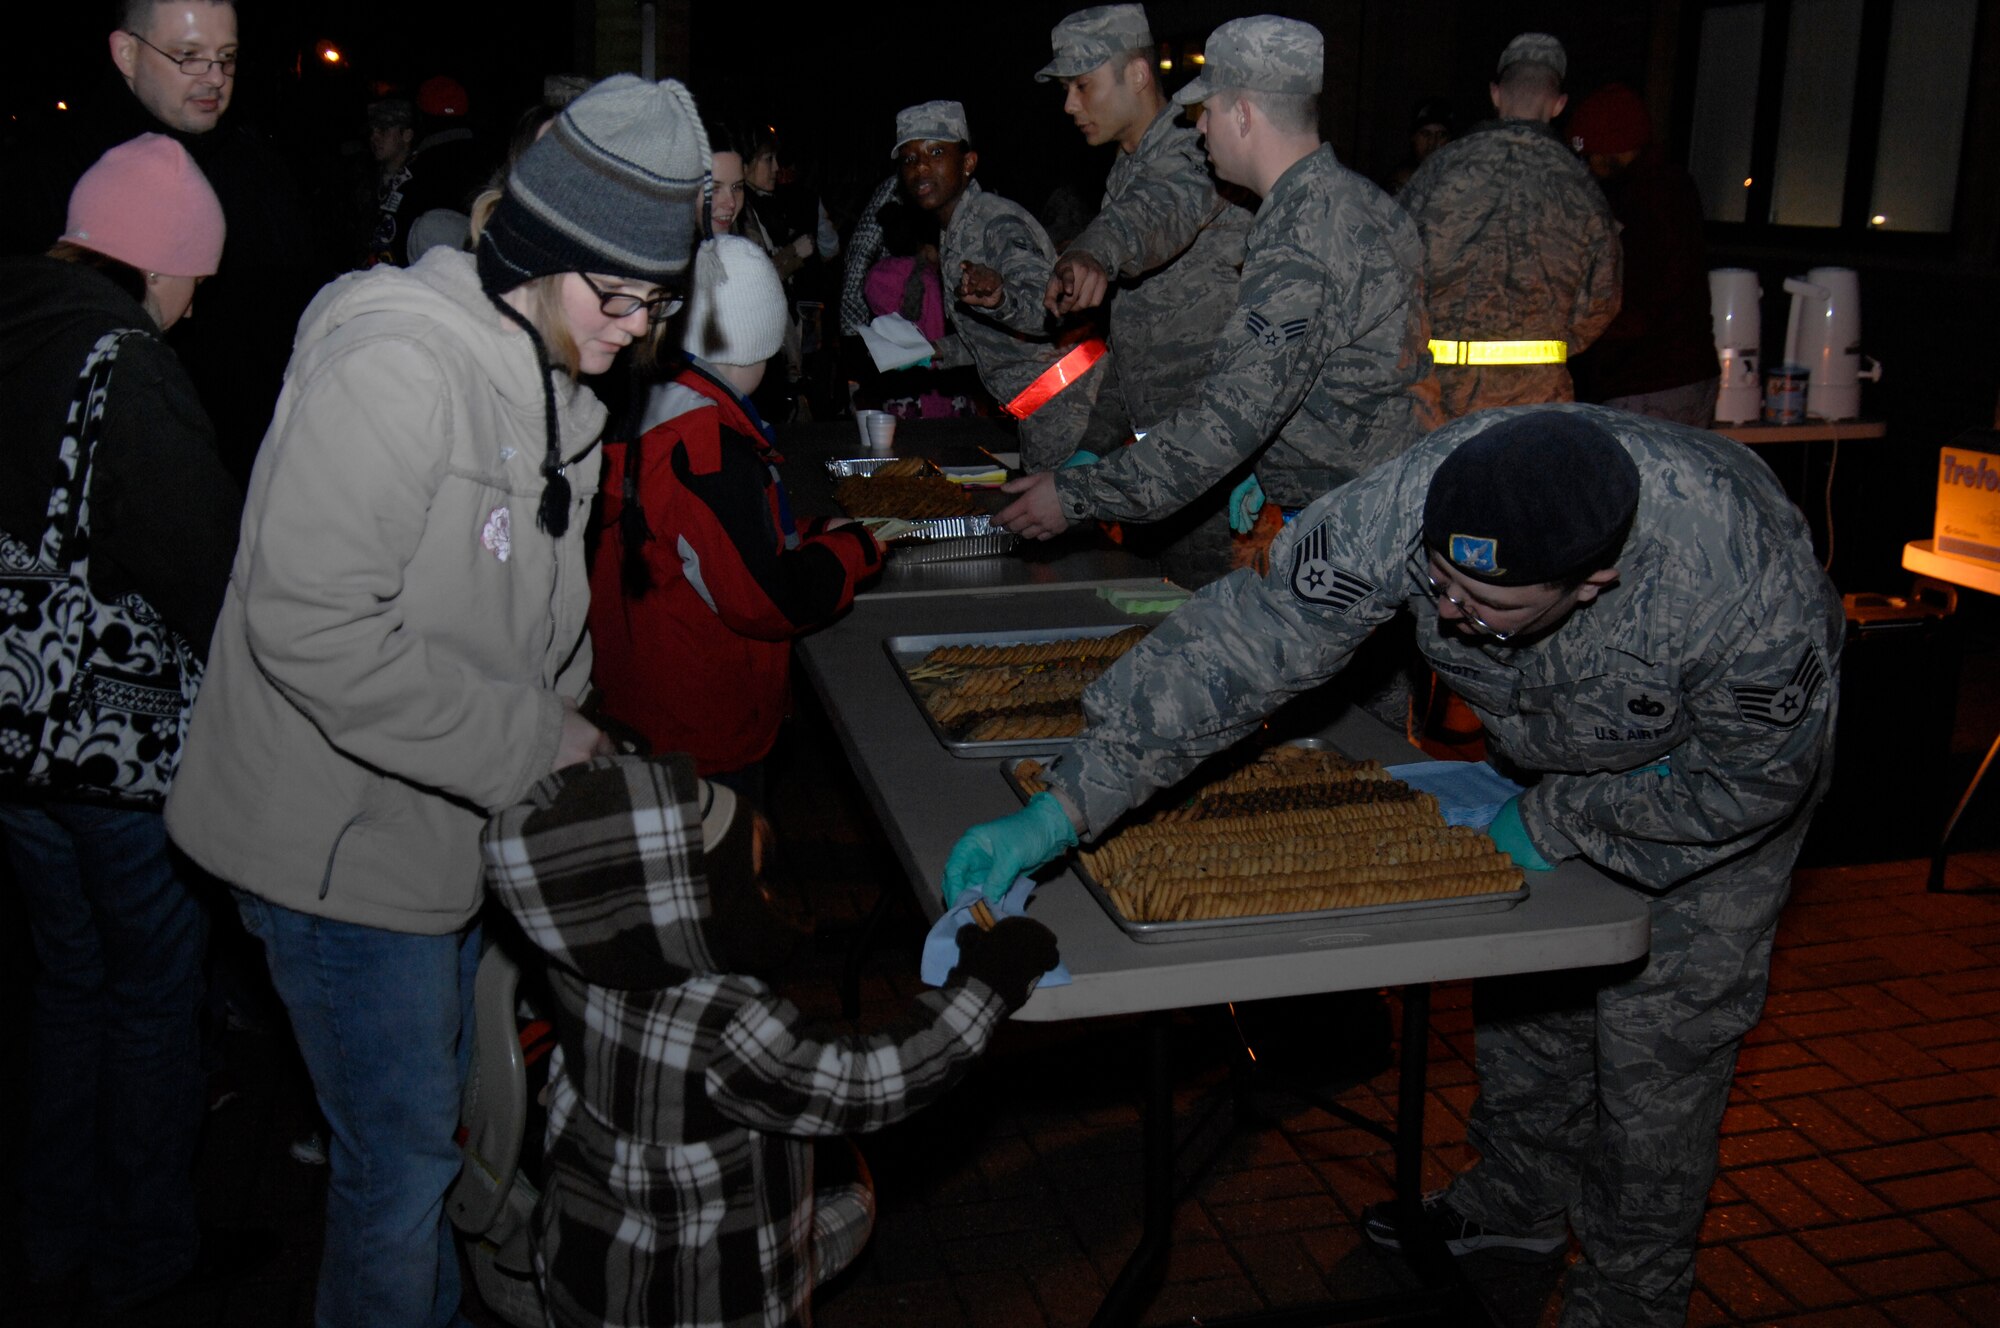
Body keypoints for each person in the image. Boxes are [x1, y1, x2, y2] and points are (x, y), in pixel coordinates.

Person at [947, 404, 1843, 1328]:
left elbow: (1755, 780)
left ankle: (1630, 1298)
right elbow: (1248, 643)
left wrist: (1564, 817)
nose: (1447, 616)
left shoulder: (1741, 582)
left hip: (1697, 795)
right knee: (1530, 999)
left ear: (1594, 580)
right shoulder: (1413, 502)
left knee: (1659, 1064)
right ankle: (1515, 1204)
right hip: (1553, 747)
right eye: (1439, 585)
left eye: (1485, 606)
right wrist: (1065, 804)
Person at [163, 75, 711, 1328]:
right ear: (535, 251)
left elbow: (526, 605)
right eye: (617, 296)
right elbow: (308, 624)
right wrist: (539, 736)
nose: (636, 328)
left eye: (659, 302)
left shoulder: (555, 368)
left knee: (446, 1130)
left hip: (441, 833)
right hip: (337, 854)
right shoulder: (398, 366)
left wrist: (570, 741)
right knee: (396, 1167)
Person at [482, 753, 1061, 1328]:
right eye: (748, 887)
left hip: (592, 1263)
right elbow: (869, 1082)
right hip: (699, 1301)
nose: (764, 902)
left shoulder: (581, 969)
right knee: (853, 1201)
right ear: (674, 917)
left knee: (849, 1205)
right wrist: (986, 987)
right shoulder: (721, 1026)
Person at [0, 133, 243, 1324]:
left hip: (9, 734)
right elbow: (200, 567)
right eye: (193, 273)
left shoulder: (12, 322)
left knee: (67, 980)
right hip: (113, 746)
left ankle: (48, 1230)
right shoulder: (127, 363)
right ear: (155, 256)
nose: (194, 305)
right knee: (153, 989)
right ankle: (141, 1246)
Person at [995, 17, 1439, 568]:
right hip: (1365, 507)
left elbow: (1229, 418)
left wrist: (1075, 495)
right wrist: (1275, 462)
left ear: (1244, 115)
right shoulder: (1356, 202)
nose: (1198, 130)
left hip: (1351, 526)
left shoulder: (1302, 236)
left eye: (1206, 112)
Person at [590, 236, 883, 801]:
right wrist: (855, 551)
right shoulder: (707, 451)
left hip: (635, 701)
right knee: (723, 876)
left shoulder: (642, 409)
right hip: (702, 732)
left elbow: (708, 543)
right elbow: (763, 599)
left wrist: (810, 532)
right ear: (758, 344)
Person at [5, 1, 325, 484]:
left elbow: (301, 307)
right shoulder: (50, 172)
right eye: (188, 55)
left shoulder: (257, 167)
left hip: (250, 472)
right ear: (127, 54)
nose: (215, 77)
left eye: (228, 56)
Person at [1036, 3, 1253, 584]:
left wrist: (1093, 251)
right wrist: (1094, 445)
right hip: (1162, 465)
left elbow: (1155, 214)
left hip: (1219, 463)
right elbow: (1135, 341)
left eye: (1082, 86)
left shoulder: (1191, 148)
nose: (1069, 105)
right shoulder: (1126, 167)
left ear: (1136, 74)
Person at [1397, 33, 1621, 420]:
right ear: (1559, 104)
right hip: (1537, 400)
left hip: (1441, 397)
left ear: (1496, 94)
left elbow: (1391, 268)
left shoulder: (1438, 170)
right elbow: (1602, 301)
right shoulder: (1582, 188)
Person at [894, 99, 1110, 471]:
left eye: (936, 152)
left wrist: (1000, 298)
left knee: (1070, 527)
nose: (921, 166)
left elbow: (1046, 305)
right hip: (1043, 410)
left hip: (1069, 406)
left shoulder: (995, 223)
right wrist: (934, 350)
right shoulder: (955, 230)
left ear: (967, 163)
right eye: (910, 158)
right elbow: (992, 335)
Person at [1565, 83, 1721, 426]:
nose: (1586, 168)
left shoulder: (1642, 204)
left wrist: (1575, 330)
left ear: (1610, 151)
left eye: (1588, 156)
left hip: (1650, 380)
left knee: (1641, 477)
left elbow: (1639, 303)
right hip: (1683, 374)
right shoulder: (1668, 188)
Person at [359, 96, 417, 267]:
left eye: (383, 130)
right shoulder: (367, 178)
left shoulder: (419, 184)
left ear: (406, 135)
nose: (374, 137)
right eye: (372, 131)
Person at [1385, 95, 1456, 193]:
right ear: (1413, 137)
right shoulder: (1403, 180)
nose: (1433, 142)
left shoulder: (1459, 177)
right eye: (1426, 134)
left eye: (1441, 135)